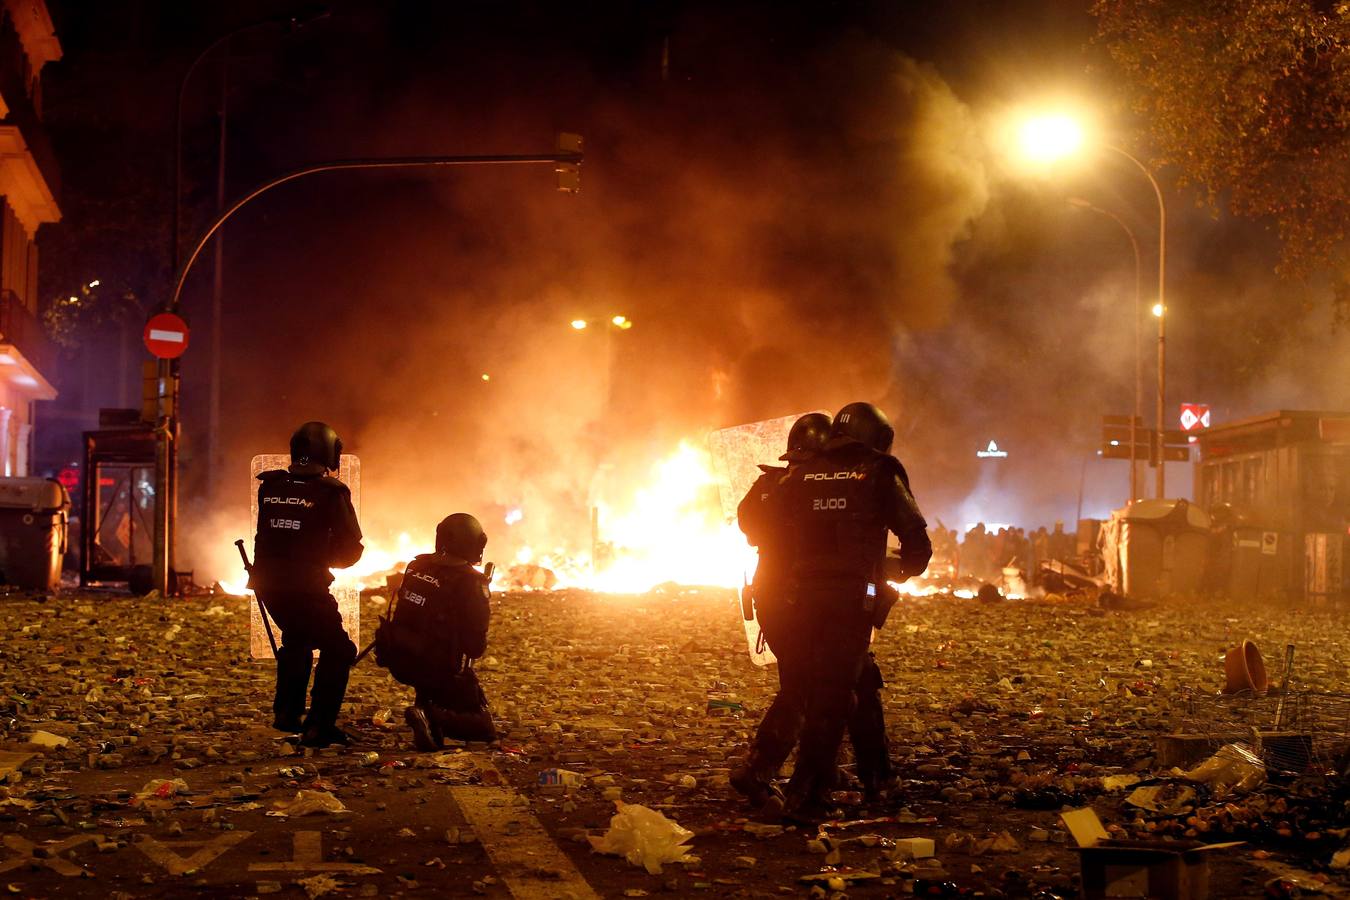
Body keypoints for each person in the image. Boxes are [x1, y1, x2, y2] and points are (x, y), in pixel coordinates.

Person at [775, 402, 932, 823]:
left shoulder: (803, 470)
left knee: (858, 682)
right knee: (833, 694)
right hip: (852, 598)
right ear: (876, 435)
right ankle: (805, 794)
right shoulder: (879, 469)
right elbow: (916, 537)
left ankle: (879, 779)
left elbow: (776, 529)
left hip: (801, 597)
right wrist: (901, 567)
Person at [731, 412, 831, 810]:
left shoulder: (768, 483)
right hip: (801, 598)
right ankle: (758, 769)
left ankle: (818, 770)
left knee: (804, 681)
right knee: (804, 688)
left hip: (769, 597)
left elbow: (746, 525)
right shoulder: (815, 486)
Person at [251, 421, 364, 748]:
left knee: (297, 638)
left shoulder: (270, 486)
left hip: (268, 585)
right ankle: (320, 725)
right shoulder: (331, 492)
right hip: (306, 586)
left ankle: (287, 713)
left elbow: (272, 535)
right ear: (328, 451)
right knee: (340, 649)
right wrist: (323, 557)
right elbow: (351, 550)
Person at [375, 513, 496, 749]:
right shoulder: (472, 581)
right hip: (439, 665)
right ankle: (432, 715)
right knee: (484, 729)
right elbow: (475, 646)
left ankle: (429, 717)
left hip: (400, 657)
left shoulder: (416, 565)